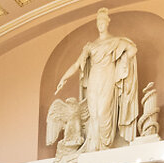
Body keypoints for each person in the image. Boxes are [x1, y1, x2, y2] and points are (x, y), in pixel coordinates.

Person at [54, 8, 139, 152]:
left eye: (103, 21)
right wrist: (63, 78)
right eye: (98, 21)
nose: (100, 24)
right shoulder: (90, 46)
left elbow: (132, 50)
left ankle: (105, 146)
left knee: (103, 112)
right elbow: (77, 64)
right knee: (93, 115)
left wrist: (122, 62)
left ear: (107, 23)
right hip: (94, 78)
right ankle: (94, 147)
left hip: (108, 77)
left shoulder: (115, 41)